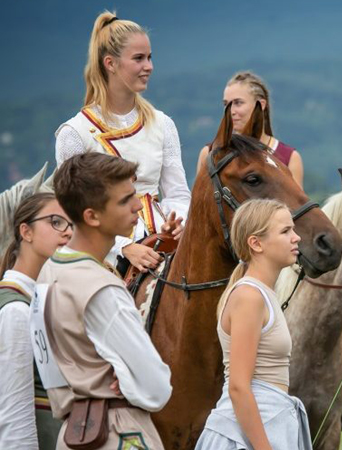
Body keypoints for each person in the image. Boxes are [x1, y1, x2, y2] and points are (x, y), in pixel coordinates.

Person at [36, 152, 172, 449]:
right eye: (125, 200)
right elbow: (157, 387)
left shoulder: (47, 272)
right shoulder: (102, 289)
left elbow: (52, 371)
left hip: (71, 433)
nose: (138, 205)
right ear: (92, 216)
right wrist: (126, 378)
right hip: (119, 433)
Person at [55, 11, 190, 273]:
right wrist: (124, 247)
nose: (149, 66)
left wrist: (175, 223)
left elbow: (178, 193)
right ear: (110, 63)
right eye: (138, 58)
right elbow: (71, 211)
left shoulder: (163, 124)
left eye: (150, 57)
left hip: (164, 243)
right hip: (102, 254)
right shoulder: (75, 133)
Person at [196, 199, 312, 450]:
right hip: (246, 436)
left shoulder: (263, 293)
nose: (296, 238)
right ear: (256, 243)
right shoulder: (249, 296)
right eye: (285, 231)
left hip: (269, 425)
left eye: (292, 229)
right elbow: (239, 386)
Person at [0, 193, 72, 449]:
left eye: (71, 224)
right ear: (26, 232)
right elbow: (14, 411)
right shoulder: (16, 310)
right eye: (55, 222)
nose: (67, 232)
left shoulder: (39, 299)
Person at [197, 71, 304, 187]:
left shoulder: (288, 157)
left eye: (238, 103)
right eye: (226, 104)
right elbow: (199, 203)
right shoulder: (210, 154)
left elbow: (296, 204)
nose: (231, 111)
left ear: (261, 105)